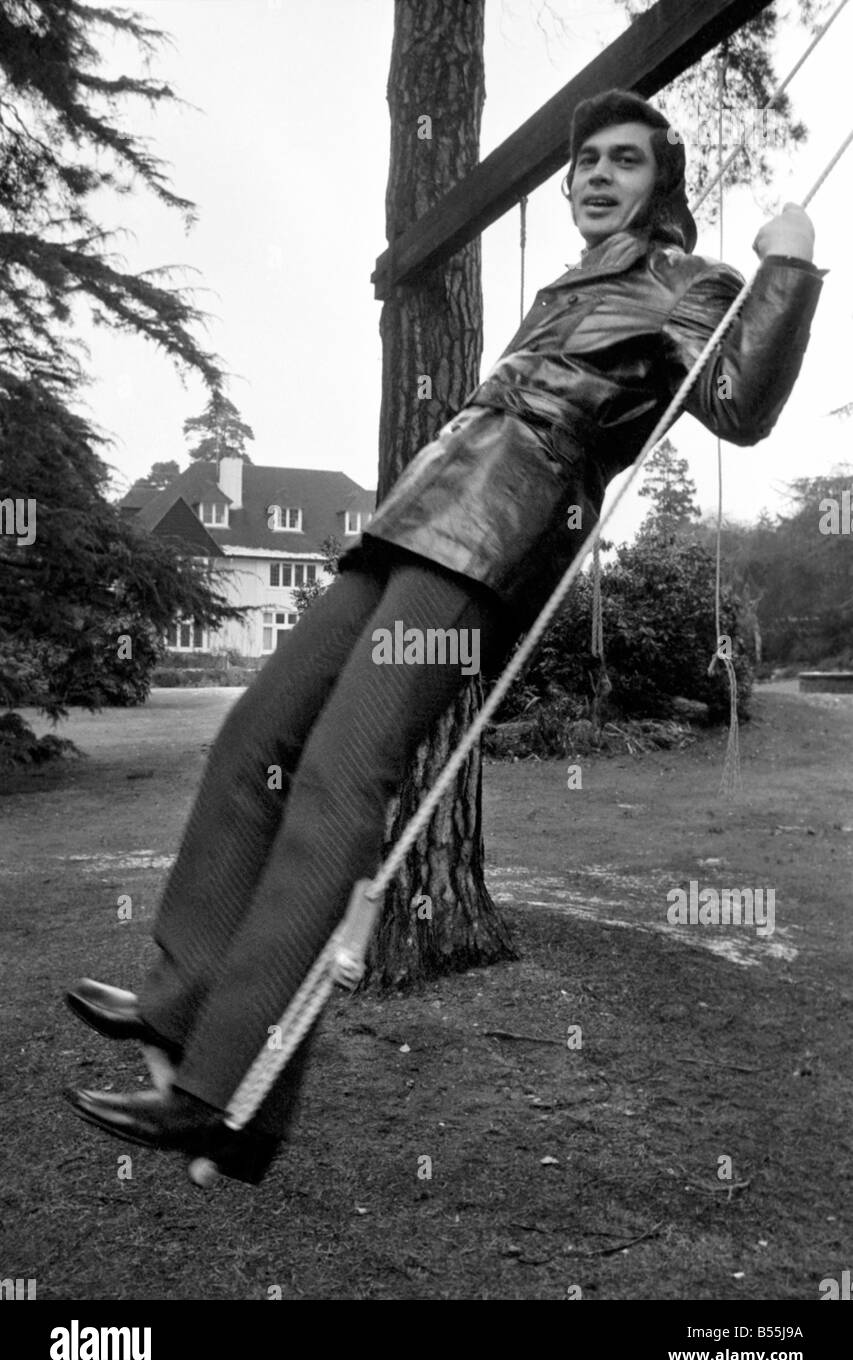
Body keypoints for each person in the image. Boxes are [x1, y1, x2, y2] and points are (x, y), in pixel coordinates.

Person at [66, 89, 825, 1184]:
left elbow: (744, 406)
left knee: (338, 775)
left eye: (625, 161)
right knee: (253, 740)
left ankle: (221, 1092)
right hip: (412, 513)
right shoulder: (575, 279)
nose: (597, 177)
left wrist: (788, 266)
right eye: (585, 164)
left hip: (491, 537)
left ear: (664, 184)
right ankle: (183, 1006)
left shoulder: (684, 283)